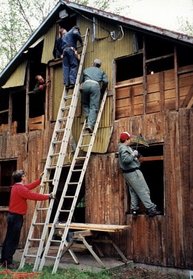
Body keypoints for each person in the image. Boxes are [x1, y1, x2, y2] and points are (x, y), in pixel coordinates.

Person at [0, 170, 54, 269]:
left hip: (12, 216)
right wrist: (48, 196)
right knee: (13, 240)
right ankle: (8, 262)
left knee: (9, 239)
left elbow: (29, 187)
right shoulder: (20, 189)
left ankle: (4, 260)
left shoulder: (16, 187)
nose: (25, 176)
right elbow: (33, 196)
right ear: (22, 178)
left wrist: (39, 180)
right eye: (24, 175)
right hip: (16, 217)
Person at [118, 132, 161, 217]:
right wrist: (133, 155)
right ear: (126, 139)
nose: (130, 140)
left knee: (134, 191)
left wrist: (135, 154)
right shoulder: (123, 148)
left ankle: (134, 209)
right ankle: (151, 208)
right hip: (133, 172)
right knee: (143, 190)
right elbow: (125, 160)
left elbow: (128, 157)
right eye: (129, 138)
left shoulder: (126, 147)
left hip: (129, 173)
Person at [80, 58, 108, 133]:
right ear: (99, 66)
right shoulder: (101, 72)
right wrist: (102, 90)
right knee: (93, 107)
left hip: (85, 85)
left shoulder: (86, 70)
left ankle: (88, 117)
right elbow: (106, 81)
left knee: (85, 104)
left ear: (93, 63)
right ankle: (90, 124)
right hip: (95, 86)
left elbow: (81, 80)